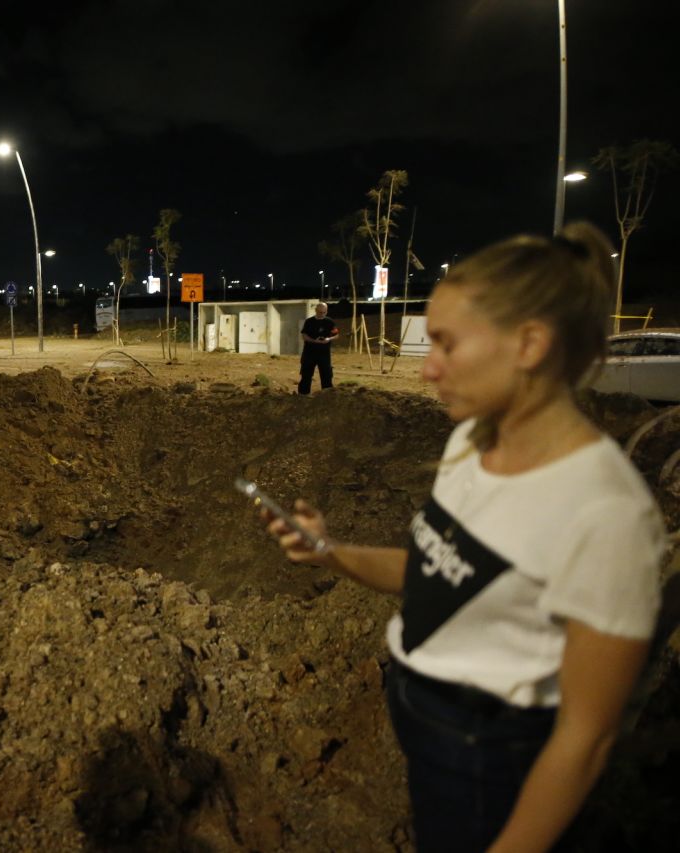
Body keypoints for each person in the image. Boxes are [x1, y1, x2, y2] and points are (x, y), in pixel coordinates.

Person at [263, 222, 665, 852]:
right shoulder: (470, 442)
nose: (429, 371)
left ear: (529, 343)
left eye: (447, 345)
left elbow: (586, 741)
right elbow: (436, 573)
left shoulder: (605, 514)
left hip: (489, 755)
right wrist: (327, 550)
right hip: (422, 717)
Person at [299, 301, 340, 394]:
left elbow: (336, 335)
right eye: (320, 312)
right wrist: (314, 341)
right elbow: (304, 335)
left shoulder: (329, 322)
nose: (322, 314)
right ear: (316, 310)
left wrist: (329, 339)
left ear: (326, 311)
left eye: (324, 312)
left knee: (326, 375)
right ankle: (303, 396)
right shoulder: (309, 321)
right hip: (309, 353)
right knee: (306, 375)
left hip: (324, 354)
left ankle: (326, 396)